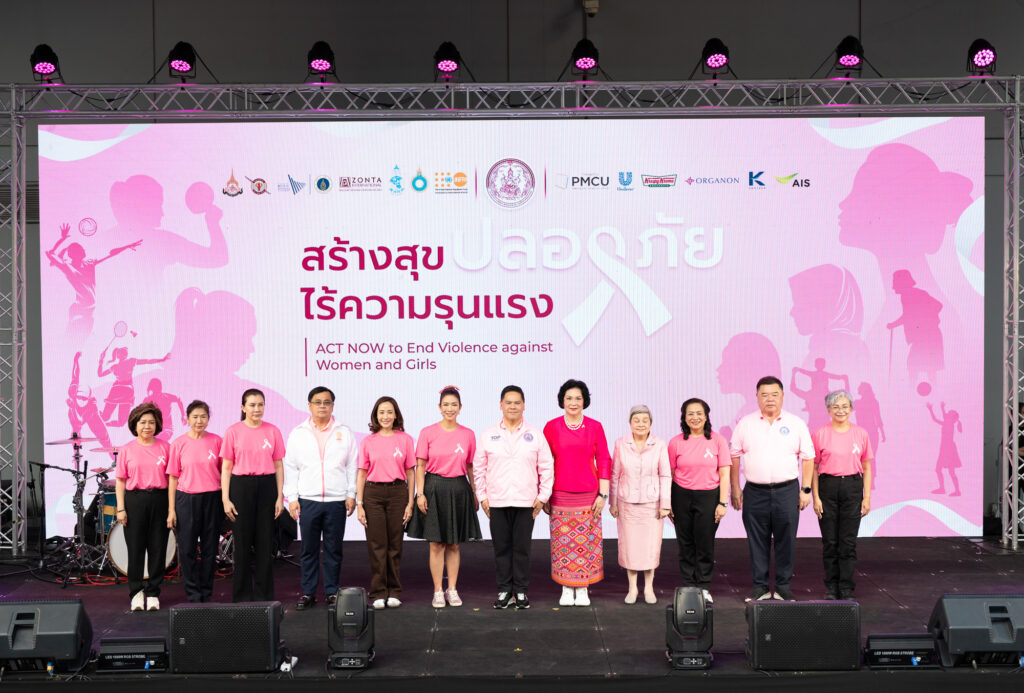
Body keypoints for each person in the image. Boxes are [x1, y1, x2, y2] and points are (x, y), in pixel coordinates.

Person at [730, 376, 814, 602]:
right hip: (754, 491)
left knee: (786, 539)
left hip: (787, 491)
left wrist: (805, 490)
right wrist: (735, 488)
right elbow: (734, 456)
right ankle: (760, 586)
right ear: (756, 397)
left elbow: (808, 458)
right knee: (757, 539)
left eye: (774, 394)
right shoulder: (745, 423)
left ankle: (783, 586)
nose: (769, 399)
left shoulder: (796, 423)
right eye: (764, 394)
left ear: (783, 396)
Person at [474, 385, 553, 610]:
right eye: (508, 402)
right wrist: (483, 497)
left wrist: (543, 496)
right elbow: (479, 468)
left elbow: (547, 467)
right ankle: (503, 590)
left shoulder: (535, 434)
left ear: (524, 406)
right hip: (497, 501)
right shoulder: (489, 434)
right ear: (501, 405)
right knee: (501, 548)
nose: (512, 406)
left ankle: (520, 591)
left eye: (517, 402)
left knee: (521, 548)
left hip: (526, 501)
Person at [283, 386, 357, 610]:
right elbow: (291, 467)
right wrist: (292, 498)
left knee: (334, 549)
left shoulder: (344, 432)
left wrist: (351, 493)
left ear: (333, 405)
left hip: (336, 500)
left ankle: (332, 592)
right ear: (309, 406)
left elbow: (352, 466)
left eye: (327, 402)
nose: (322, 406)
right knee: (308, 549)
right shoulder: (298, 433)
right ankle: (308, 593)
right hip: (308, 500)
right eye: (318, 402)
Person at [407, 386, 481, 608]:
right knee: (436, 544)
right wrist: (419, 493)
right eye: (446, 404)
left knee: (455, 544)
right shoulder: (427, 432)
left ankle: (452, 589)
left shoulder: (468, 434)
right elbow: (420, 466)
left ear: (460, 407)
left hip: (459, 488)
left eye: (454, 405)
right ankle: (438, 590)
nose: (450, 408)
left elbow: (470, 466)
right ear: (439, 407)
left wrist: (475, 492)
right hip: (434, 487)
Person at [543, 378, 611, 607]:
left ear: (585, 401)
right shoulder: (551, 427)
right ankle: (565, 586)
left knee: (587, 541)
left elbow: (603, 459)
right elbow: (543, 462)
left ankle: (583, 588)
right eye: (569, 398)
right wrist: (543, 494)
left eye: (578, 398)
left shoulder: (594, 426)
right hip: (560, 492)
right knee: (563, 543)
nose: (573, 402)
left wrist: (603, 494)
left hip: (589, 493)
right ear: (562, 401)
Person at [221, 388, 285, 602]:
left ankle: (264, 595)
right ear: (243, 407)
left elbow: (278, 466)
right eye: (252, 405)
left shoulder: (273, 431)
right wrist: (225, 499)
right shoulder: (233, 431)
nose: (257, 409)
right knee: (242, 543)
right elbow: (227, 469)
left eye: (260, 405)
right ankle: (241, 596)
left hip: (267, 487)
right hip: (241, 487)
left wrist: (279, 497)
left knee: (265, 543)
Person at [666, 398, 731, 603]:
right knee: (685, 542)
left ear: (706, 416)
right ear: (684, 418)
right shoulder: (676, 442)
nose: (695, 417)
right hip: (681, 494)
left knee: (704, 542)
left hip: (709, 495)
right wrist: (667, 503)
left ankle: (703, 586)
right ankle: (688, 586)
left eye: (699, 413)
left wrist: (722, 503)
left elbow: (725, 473)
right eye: (690, 414)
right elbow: (669, 473)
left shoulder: (717, 440)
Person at [811, 390, 873, 601]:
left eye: (845, 406)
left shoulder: (861, 433)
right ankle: (831, 586)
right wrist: (816, 497)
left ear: (852, 409)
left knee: (847, 541)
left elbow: (867, 467)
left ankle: (846, 587)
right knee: (830, 541)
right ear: (828, 409)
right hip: (827, 486)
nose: (840, 410)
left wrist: (866, 497)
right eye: (835, 406)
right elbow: (814, 467)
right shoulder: (820, 434)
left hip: (853, 487)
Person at [356, 396, 417, 610]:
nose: (385, 416)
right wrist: (360, 503)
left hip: (398, 492)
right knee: (376, 545)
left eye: (389, 412)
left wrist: (410, 502)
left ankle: (394, 591)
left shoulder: (406, 439)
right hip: (373, 494)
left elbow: (411, 472)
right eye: (381, 412)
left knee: (395, 544)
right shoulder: (368, 441)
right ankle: (378, 592)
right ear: (375, 415)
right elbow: (362, 473)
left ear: (396, 415)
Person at [609, 405, 670, 605]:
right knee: (630, 547)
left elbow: (665, 475)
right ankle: (633, 588)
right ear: (630, 423)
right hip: (627, 504)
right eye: (636, 420)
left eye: (645, 420)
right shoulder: (621, 443)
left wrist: (665, 504)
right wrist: (613, 502)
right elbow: (615, 474)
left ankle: (650, 588)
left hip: (652, 504)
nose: (641, 424)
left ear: (650, 423)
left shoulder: (659, 444)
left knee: (650, 547)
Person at [114, 402, 171, 611]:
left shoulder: (166, 447)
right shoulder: (127, 450)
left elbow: (172, 479)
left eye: (152, 422)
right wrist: (121, 508)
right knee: (136, 549)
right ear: (134, 425)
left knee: (158, 548)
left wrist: (172, 509)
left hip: (160, 499)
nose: (147, 426)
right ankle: (136, 592)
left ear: (157, 425)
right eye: (143, 422)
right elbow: (120, 481)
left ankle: (154, 592)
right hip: (134, 500)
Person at [166, 400, 223, 603]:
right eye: (195, 417)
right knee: (187, 549)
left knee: (210, 549)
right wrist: (171, 510)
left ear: (208, 418)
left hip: (212, 498)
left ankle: (206, 592)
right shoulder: (179, 444)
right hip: (186, 499)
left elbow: (225, 473)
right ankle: (192, 593)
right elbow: (172, 477)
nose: (199, 421)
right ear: (188, 419)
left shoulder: (217, 441)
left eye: (203, 417)